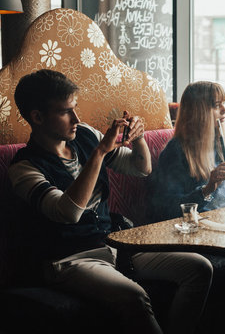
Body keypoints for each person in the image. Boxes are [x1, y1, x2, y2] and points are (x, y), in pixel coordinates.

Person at [8, 69, 213, 334]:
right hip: (69, 260)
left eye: (76, 108)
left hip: (114, 243)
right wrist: (100, 151)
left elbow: (140, 168)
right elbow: (68, 212)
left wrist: (138, 138)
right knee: (135, 296)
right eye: (65, 111)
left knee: (199, 268)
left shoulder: (84, 135)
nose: (76, 118)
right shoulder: (24, 168)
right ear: (37, 117)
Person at [148, 81, 225, 222]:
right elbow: (167, 209)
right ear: (198, 113)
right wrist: (208, 188)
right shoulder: (176, 151)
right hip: (199, 227)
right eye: (216, 105)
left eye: (223, 103)